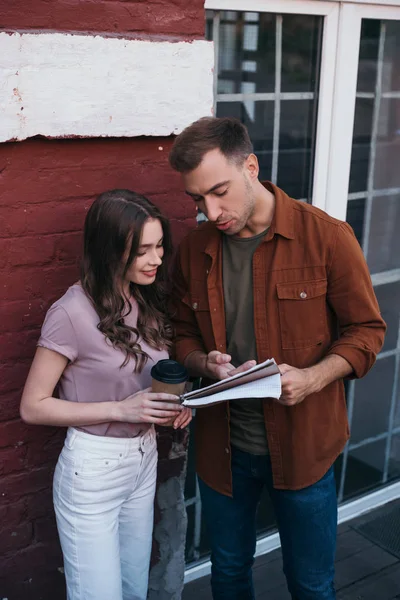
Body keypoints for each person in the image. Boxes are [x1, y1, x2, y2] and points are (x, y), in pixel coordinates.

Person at [168, 117, 386, 600]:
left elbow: (367, 332)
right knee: (227, 575)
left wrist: (312, 378)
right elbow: (179, 334)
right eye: (197, 200)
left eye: (219, 191)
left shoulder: (327, 237)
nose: (210, 210)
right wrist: (205, 363)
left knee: (310, 585)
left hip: (304, 450)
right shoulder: (195, 249)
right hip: (224, 453)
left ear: (251, 167)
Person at [20, 189, 192, 600]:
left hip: (143, 459)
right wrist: (121, 408)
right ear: (110, 251)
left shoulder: (144, 298)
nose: (156, 259)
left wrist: (174, 408)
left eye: (160, 246)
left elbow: (143, 383)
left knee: (135, 589)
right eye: (143, 251)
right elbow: (32, 406)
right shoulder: (71, 313)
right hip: (93, 470)